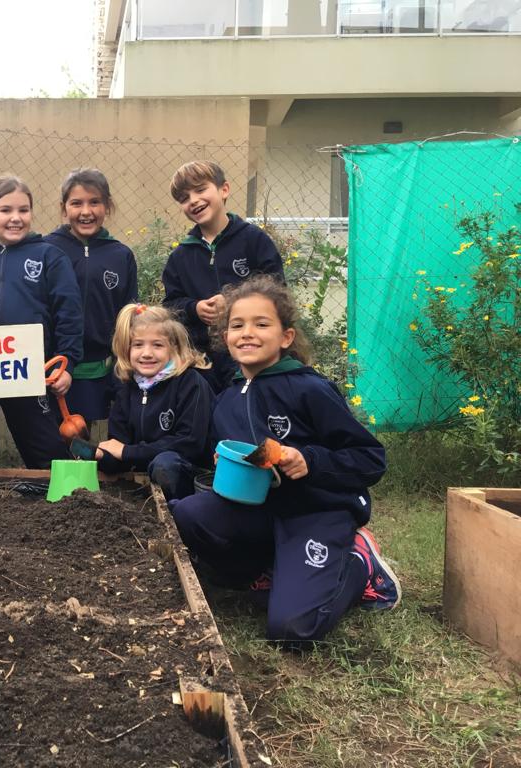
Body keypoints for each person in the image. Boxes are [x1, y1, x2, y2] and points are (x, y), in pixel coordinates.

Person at [169, 275, 399, 645]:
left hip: (316, 511)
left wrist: (309, 460)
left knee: (292, 630)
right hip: (261, 511)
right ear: (225, 337)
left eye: (262, 324)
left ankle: (361, 565)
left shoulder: (309, 388)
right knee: (188, 513)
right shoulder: (227, 398)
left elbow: (370, 458)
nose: (247, 333)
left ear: (286, 337)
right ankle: (268, 569)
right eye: (237, 325)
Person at [0, 174, 83, 469]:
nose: (15, 218)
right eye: (5, 210)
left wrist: (68, 364)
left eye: (23, 210)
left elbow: (69, 315)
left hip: (29, 371)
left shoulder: (50, 257)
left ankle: (60, 507)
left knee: (47, 453)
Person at [161, 160, 284, 391]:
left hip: (250, 354)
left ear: (224, 189)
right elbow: (171, 305)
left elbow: (276, 288)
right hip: (201, 361)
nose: (194, 200)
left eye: (200, 190)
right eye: (184, 198)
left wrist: (232, 302)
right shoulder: (180, 256)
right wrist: (194, 308)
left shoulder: (254, 240)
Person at [44, 168, 138, 422]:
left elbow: (128, 315)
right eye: (77, 203)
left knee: (88, 437)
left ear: (108, 206)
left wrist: (124, 362)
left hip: (101, 368)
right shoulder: (47, 250)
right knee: (56, 440)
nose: (86, 212)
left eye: (95, 202)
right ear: (64, 208)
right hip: (54, 367)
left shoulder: (121, 255)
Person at [95, 304, 213, 501]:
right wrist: (103, 456)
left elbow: (190, 443)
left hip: (192, 478)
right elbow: (120, 447)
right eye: (138, 345)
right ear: (127, 349)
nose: (147, 353)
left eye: (157, 345)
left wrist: (127, 451)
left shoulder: (190, 383)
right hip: (144, 482)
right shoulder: (127, 391)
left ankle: (178, 517)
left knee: (164, 464)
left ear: (173, 348)